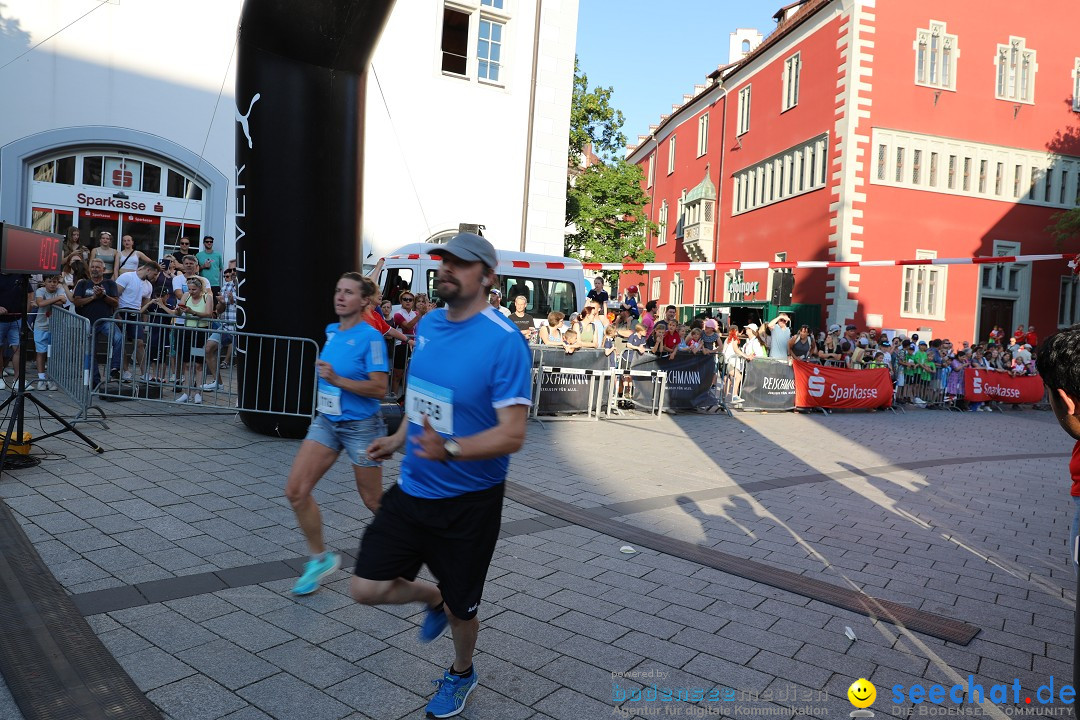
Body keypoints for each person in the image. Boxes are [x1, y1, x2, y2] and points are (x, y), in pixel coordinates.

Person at [357, 232, 531, 718]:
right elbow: (423, 396)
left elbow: (512, 434)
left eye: (461, 263)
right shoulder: (430, 325)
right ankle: (433, 596)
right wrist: (398, 438)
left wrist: (450, 448)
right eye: (444, 261)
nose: (447, 269)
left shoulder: (505, 341)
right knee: (365, 587)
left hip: (469, 503)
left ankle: (461, 672)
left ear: (488, 277)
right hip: (413, 489)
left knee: (463, 611)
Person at [285, 273, 389, 595]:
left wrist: (338, 379)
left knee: (373, 500)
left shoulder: (371, 338)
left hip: (361, 427)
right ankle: (319, 559)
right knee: (296, 491)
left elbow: (379, 388)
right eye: (338, 291)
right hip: (328, 421)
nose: (340, 297)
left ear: (363, 301)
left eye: (348, 293)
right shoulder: (331, 332)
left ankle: (409, 542)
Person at [72, 258, 122, 387]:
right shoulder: (83, 284)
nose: (94, 269)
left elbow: (116, 302)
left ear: (103, 270)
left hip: (105, 320)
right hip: (88, 322)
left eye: (98, 267)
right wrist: (93, 297)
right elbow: (76, 302)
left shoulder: (110, 283)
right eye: (92, 267)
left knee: (118, 338)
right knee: (91, 351)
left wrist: (103, 296)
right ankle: (95, 381)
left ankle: (114, 369)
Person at [114, 261, 161, 381]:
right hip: (122, 311)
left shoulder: (149, 286)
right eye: (154, 275)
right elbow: (115, 296)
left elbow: (145, 306)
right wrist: (117, 315)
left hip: (136, 314)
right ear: (148, 270)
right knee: (122, 342)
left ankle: (144, 372)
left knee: (139, 343)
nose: (155, 278)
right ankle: (125, 370)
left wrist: (144, 322)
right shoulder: (127, 277)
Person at [32, 275, 71, 391]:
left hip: (56, 326)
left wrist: (48, 301)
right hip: (41, 325)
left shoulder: (60, 289)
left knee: (53, 353)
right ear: (45, 282)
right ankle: (41, 378)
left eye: (55, 281)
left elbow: (63, 300)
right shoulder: (40, 290)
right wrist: (55, 299)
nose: (53, 284)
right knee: (41, 352)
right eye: (50, 281)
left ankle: (51, 378)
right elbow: (41, 303)